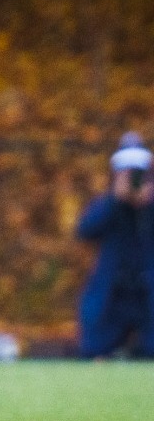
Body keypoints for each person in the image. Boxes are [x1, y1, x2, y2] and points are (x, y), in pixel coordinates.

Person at [75, 134, 154, 359]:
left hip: (147, 290)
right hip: (113, 291)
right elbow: (85, 230)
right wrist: (115, 200)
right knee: (94, 348)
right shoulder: (109, 204)